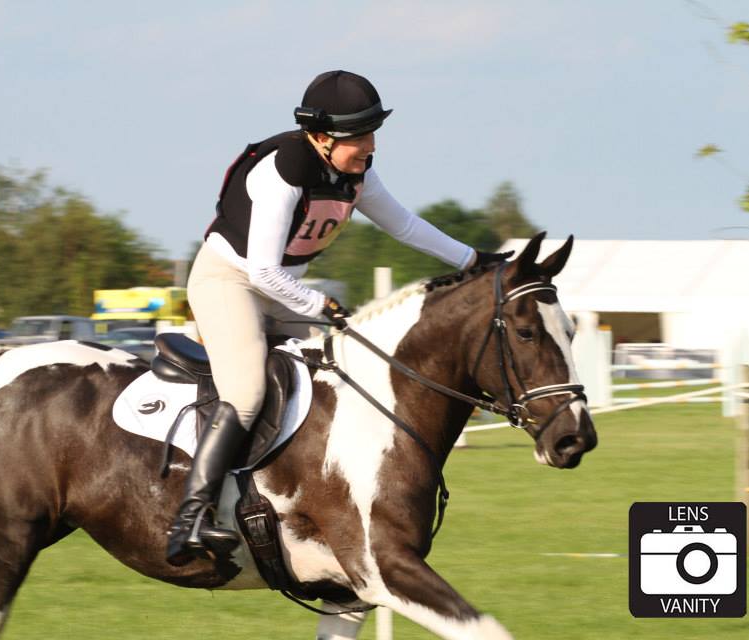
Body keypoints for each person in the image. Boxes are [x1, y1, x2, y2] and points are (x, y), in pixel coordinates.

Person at [166, 70, 512, 566]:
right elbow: (261, 270)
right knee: (246, 392)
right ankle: (191, 517)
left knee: (346, 373)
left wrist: (475, 260)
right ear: (321, 137)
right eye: (359, 137)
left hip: (282, 289)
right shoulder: (285, 167)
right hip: (229, 282)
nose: (370, 147)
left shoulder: (354, 173)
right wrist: (316, 305)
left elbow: (405, 226)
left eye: (372, 134)